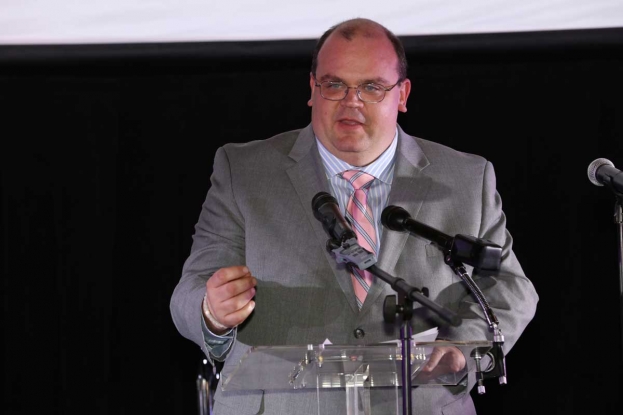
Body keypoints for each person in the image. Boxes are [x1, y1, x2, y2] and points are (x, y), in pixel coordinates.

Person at [171, 18, 538, 415]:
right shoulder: (244, 171)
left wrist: (463, 348)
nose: (352, 101)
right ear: (312, 90)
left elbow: (510, 290)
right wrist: (212, 312)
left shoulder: (464, 179)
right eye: (334, 85)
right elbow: (189, 291)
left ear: (402, 94)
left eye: (371, 87)